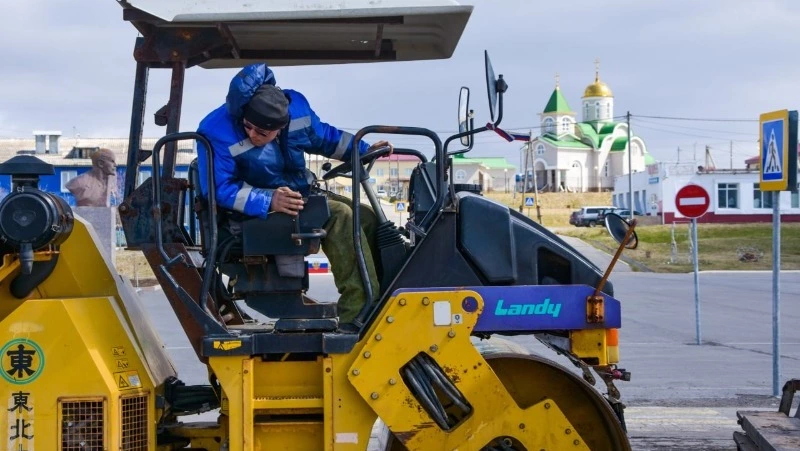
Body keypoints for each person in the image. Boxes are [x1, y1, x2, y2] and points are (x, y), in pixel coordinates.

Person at [196, 63, 391, 327]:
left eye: (262, 132)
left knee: (367, 218)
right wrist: (268, 200)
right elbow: (219, 189)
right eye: (248, 127)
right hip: (255, 212)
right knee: (342, 217)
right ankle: (357, 314)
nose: (252, 135)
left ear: (281, 127)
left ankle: (383, 300)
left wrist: (363, 149)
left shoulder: (297, 111)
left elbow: (325, 138)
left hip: (298, 195)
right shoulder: (217, 131)